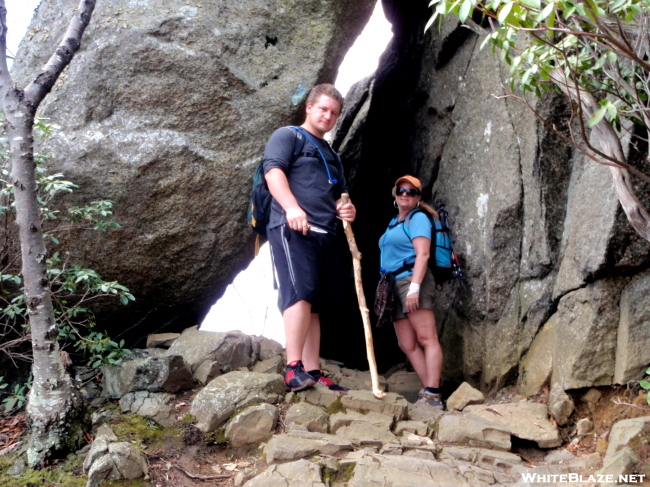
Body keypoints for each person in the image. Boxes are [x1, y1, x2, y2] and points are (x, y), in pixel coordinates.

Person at [262, 84, 356, 392]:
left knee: (315, 302)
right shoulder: (287, 136)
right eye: (323, 109)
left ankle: (313, 370)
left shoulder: (331, 154)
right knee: (299, 293)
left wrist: (346, 207)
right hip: (292, 228)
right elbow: (273, 172)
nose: (328, 116)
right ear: (309, 108)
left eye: (334, 113)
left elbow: (339, 194)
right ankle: (293, 367)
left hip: (324, 232)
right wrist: (291, 208)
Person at [378, 175, 444, 408]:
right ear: (394, 194)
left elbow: (423, 254)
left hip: (412, 279)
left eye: (411, 191)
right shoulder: (394, 221)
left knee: (426, 337)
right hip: (393, 283)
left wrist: (414, 287)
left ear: (418, 197)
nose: (405, 194)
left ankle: (433, 394)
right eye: (400, 190)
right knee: (407, 344)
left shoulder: (418, 218)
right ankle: (429, 391)